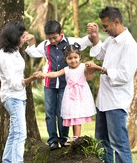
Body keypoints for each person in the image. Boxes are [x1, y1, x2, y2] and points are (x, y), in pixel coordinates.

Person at [25, 20, 92, 149]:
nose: (52, 41)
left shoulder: (71, 42)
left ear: (61, 33)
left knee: (63, 112)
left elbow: (86, 41)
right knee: (50, 112)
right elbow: (33, 53)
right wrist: (32, 40)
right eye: (49, 38)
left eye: (54, 37)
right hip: (49, 83)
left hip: (66, 84)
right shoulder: (45, 45)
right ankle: (52, 140)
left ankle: (63, 139)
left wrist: (92, 33)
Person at [86, 6, 137, 163]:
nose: (104, 29)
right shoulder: (111, 40)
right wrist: (94, 37)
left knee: (119, 144)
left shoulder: (129, 44)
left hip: (117, 101)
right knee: (102, 142)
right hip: (103, 100)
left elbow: (125, 75)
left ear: (116, 22)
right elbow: (99, 53)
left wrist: (100, 69)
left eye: (106, 26)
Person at [0, 21, 37, 163]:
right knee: (20, 134)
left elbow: (29, 52)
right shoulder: (4, 56)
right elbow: (14, 83)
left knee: (14, 134)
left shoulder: (14, 52)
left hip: (19, 97)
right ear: (14, 37)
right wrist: (31, 79)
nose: (24, 37)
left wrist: (29, 41)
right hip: (12, 97)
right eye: (22, 36)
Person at [34, 43, 96, 142]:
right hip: (70, 95)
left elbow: (89, 77)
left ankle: (77, 137)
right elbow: (55, 73)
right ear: (65, 59)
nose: (73, 60)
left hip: (81, 94)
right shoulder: (66, 69)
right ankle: (75, 137)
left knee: (78, 115)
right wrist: (44, 74)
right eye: (70, 58)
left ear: (80, 57)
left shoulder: (83, 67)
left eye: (75, 57)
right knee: (72, 115)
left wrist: (90, 69)